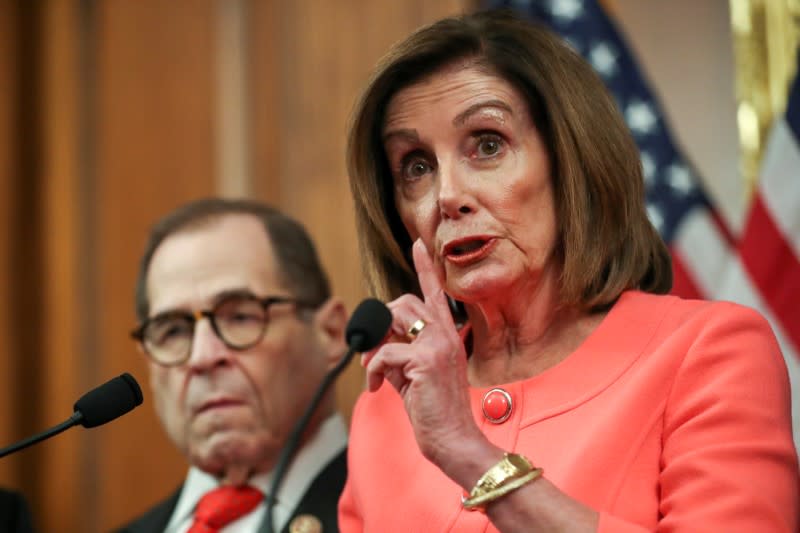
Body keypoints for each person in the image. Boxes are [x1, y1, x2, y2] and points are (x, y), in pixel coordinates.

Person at [339, 9, 799, 532]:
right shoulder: (388, 408)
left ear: (572, 165)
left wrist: (469, 454)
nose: (447, 196)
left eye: (488, 145)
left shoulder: (708, 352)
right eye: (416, 167)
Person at [117, 198, 349, 533]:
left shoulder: (403, 514)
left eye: (240, 317)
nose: (202, 357)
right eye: (173, 331)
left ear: (330, 333)